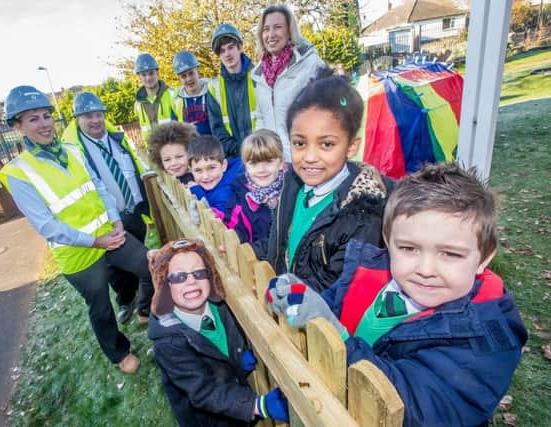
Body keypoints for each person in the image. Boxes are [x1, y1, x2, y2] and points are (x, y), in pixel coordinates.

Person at [265, 163, 528, 426]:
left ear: (484, 257)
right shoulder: (371, 270)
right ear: (388, 240)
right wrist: (298, 294)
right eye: (409, 248)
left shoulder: (486, 340)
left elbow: (410, 409)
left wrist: (339, 340)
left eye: (450, 254)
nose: (425, 270)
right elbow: (330, 305)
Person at [0, 86, 150, 373]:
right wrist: (95, 241)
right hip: (78, 255)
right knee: (101, 307)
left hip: (111, 235)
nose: (44, 124)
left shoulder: (72, 151)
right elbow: (47, 226)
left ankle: (144, 310)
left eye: (46, 116)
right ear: (17, 126)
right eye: (33, 119)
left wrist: (115, 220)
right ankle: (119, 354)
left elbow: (100, 187)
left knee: (150, 264)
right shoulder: (18, 172)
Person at [253, 70, 394, 292]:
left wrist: (283, 296)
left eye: (326, 144)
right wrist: (247, 252)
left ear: (351, 147)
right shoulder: (293, 183)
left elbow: (339, 292)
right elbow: (282, 242)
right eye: (299, 143)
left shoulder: (362, 217)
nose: (309, 157)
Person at [148, 238, 289, 427]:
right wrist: (258, 405)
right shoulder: (168, 343)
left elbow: (227, 341)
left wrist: (237, 358)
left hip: (232, 395)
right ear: (165, 285)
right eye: (180, 277)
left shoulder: (220, 307)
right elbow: (203, 391)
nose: (191, 281)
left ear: (210, 276)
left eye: (199, 273)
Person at [62, 92, 154, 324]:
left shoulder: (116, 138)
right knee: (117, 268)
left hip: (132, 210)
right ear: (76, 120)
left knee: (138, 256)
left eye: (98, 115)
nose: (94, 120)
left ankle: (140, 302)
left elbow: (132, 165)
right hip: (108, 220)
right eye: (87, 117)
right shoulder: (76, 150)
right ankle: (127, 301)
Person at [250, 4, 325, 161]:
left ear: (289, 31)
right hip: (274, 162)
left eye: (277, 27)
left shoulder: (310, 63)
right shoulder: (259, 74)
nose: (271, 34)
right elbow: (261, 117)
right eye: (266, 29)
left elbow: (327, 111)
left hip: (306, 158)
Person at [224, 129, 285, 243]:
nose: (261, 170)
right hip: (253, 257)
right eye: (254, 163)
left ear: (281, 163)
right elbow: (232, 228)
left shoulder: (293, 191)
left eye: (268, 161)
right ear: (245, 165)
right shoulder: (238, 196)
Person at [207, 23, 257, 158]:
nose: (227, 54)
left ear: (240, 47)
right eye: (222, 51)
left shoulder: (259, 77)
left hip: (263, 151)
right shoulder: (214, 88)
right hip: (234, 157)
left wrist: (258, 147)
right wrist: (238, 150)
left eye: (231, 47)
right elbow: (217, 129)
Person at [188, 135, 244, 216]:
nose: (205, 176)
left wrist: (196, 190)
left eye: (211, 168)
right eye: (198, 170)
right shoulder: (227, 171)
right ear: (190, 170)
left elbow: (213, 216)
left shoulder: (225, 193)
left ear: (224, 165)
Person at [134, 53, 176, 143]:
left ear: (157, 73)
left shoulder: (173, 95)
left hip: (173, 151)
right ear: (139, 77)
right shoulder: (138, 105)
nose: (148, 78)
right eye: (144, 75)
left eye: (151, 73)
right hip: (153, 152)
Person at [172, 51, 211, 135]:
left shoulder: (212, 92)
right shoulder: (176, 99)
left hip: (212, 144)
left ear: (197, 71)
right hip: (189, 146)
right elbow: (174, 129)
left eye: (191, 73)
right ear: (179, 78)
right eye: (183, 76)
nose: (189, 79)